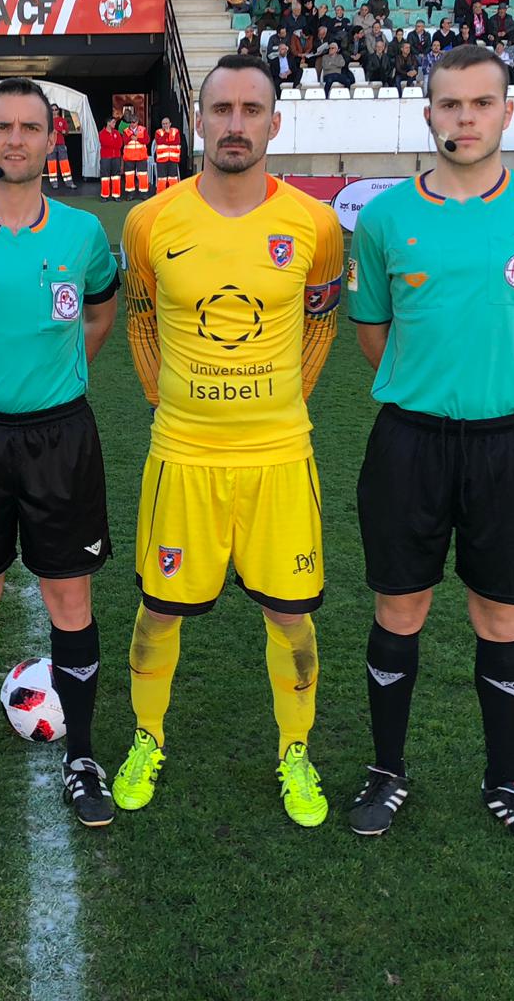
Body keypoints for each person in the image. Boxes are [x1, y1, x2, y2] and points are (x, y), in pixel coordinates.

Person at [345, 44, 514, 856]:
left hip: (509, 448)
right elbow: (374, 337)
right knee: (400, 610)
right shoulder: (385, 219)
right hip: (409, 445)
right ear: (429, 114)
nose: (465, 118)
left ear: (506, 112)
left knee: (500, 614)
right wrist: (431, 390)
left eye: (481, 103)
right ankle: (387, 770)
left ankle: (505, 782)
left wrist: (508, 395)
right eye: (450, 104)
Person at [115, 53, 345, 827]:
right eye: (221, 109)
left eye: (251, 111)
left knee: (291, 616)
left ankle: (295, 752)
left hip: (279, 458)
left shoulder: (314, 224)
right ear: (198, 120)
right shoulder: (151, 221)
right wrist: (171, 401)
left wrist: (282, 400)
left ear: (274, 123)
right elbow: (142, 321)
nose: (235, 124)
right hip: (183, 456)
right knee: (159, 611)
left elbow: (321, 323)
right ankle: (147, 738)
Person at [0, 78, 121, 830]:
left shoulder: (83, 233)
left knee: (70, 599)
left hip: (62, 437)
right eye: (0, 126)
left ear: (51, 138)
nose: (14, 139)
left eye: (29, 127)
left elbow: (99, 311)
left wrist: (55, 376)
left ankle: (83, 757)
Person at [46, 106, 75, 189]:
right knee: (51, 163)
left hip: (61, 144)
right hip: (51, 144)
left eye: (56, 109)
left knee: (64, 163)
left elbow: (66, 131)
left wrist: (63, 131)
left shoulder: (62, 120)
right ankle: (54, 183)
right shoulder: (47, 120)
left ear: (58, 110)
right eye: (52, 110)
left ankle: (69, 182)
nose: (54, 111)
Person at [97, 116, 124, 200]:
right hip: (106, 157)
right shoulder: (102, 133)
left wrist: (113, 144)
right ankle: (105, 195)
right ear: (108, 123)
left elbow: (120, 144)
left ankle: (116, 195)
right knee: (105, 177)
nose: (115, 124)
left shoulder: (117, 133)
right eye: (113, 122)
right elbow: (105, 143)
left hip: (116, 157)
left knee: (116, 176)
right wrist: (114, 144)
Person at [121, 122, 151, 197]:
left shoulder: (143, 129)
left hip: (141, 156)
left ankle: (143, 193)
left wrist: (137, 138)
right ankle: (130, 193)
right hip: (129, 156)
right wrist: (132, 135)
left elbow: (147, 140)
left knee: (142, 175)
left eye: (134, 122)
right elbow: (125, 141)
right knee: (129, 175)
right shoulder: (126, 130)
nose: (132, 124)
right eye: (131, 122)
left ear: (137, 122)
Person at [153, 116, 182, 190]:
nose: (165, 125)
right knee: (161, 180)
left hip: (173, 159)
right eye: (163, 124)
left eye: (166, 123)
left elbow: (177, 141)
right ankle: (161, 195)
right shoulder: (158, 132)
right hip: (161, 160)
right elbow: (159, 141)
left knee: (173, 179)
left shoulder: (175, 131)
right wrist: (166, 134)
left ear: (170, 124)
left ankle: (173, 194)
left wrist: (166, 141)